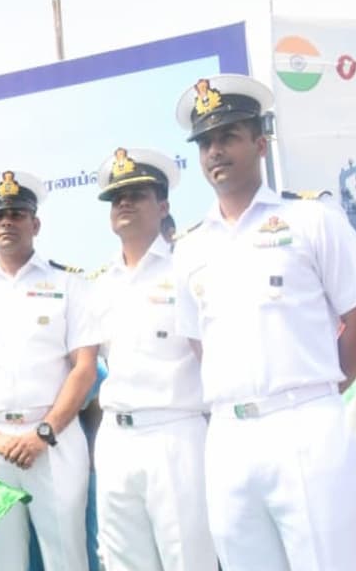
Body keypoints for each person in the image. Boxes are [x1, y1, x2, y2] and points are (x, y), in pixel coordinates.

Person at [172, 75, 356, 570]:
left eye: (228, 137)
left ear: (260, 144)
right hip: (227, 434)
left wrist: (318, 388)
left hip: (303, 423)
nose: (215, 152)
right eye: (205, 143)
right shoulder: (190, 247)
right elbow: (200, 342)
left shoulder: (312, 219)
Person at [0, 170, 96, 571]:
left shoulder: (69, 284)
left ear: (36, 222)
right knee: (2, 563)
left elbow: (84, 367)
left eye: (16, 213)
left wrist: (43, 433)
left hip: (55, 441)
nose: (7, 222)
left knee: (67, 559)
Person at [86, 147, 215, 570]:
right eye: (115, 198)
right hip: (116, 437)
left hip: (175, 433)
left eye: (136, 194)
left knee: (188, 559)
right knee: (123, 562)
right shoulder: (98, 283)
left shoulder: (189, 268)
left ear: (162, 206)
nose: (123, 203)